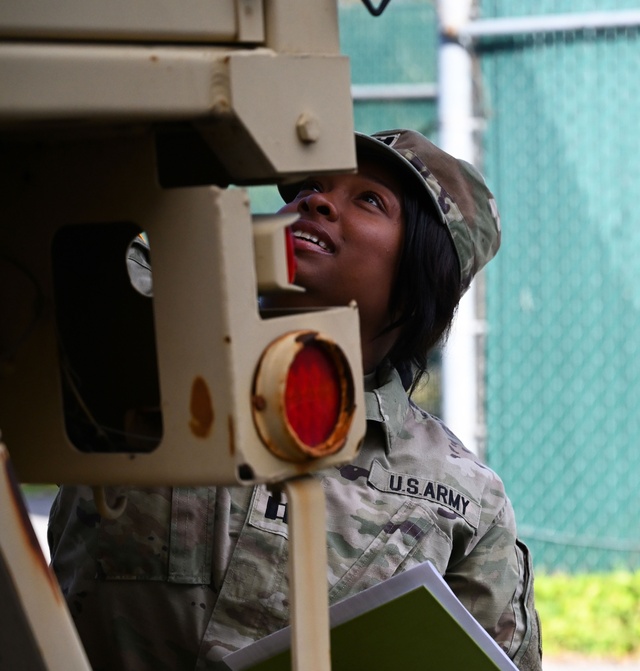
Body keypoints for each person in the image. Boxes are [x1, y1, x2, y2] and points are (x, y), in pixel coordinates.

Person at [47, 129, 542, 670]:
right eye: (308, 185)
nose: (315, 200)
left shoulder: (466, 500)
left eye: (370, 200)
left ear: (426, 270)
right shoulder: (143, 336)